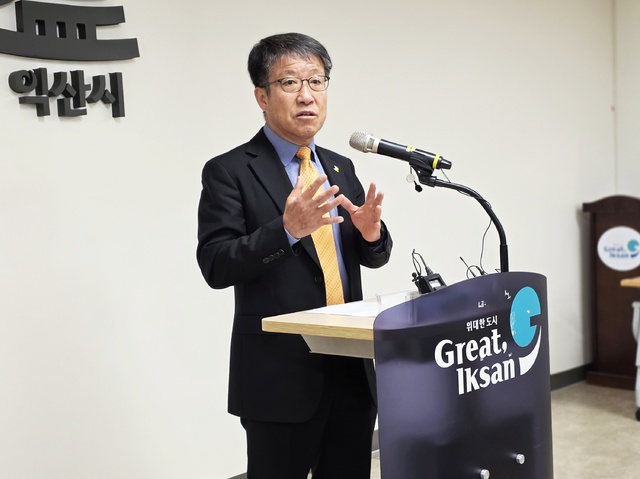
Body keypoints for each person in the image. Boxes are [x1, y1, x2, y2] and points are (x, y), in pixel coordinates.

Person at [196, 32, 393, 479]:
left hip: (351, 367)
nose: (307, 96)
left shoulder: (340, 166)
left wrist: (372, 235)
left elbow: (372, 256)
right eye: (290, 83)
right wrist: (286, 231)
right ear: (262, 97)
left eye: (317, 81)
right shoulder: (230, 171)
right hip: (279, 375)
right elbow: (216, 263)